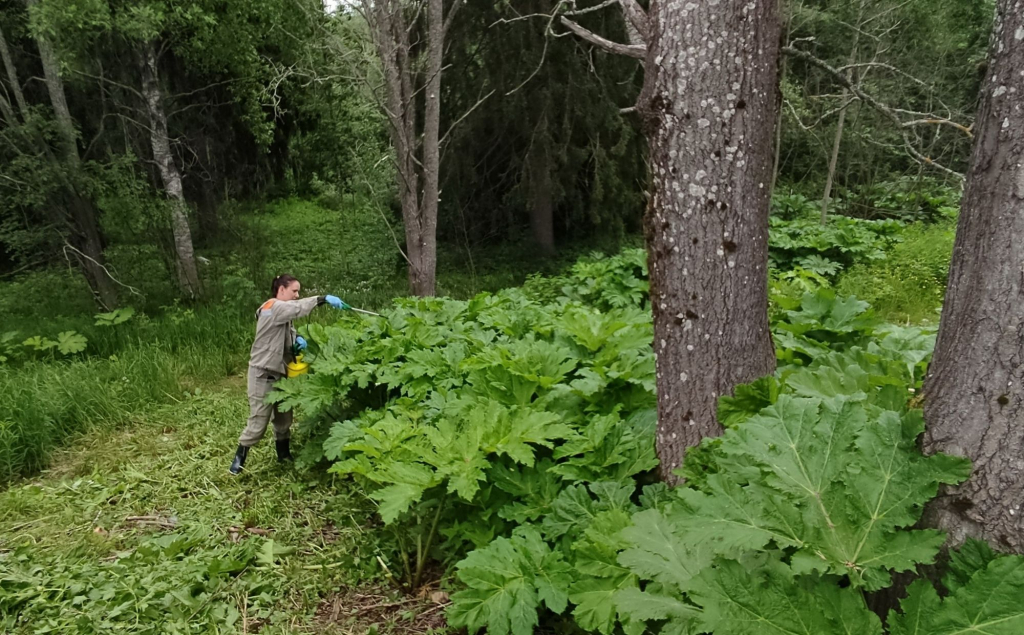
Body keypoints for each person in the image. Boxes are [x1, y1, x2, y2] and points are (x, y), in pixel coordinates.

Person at [229, 274, 350, 475]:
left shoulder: (283, 315)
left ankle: (283, 455)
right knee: (259, 422)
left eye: (298, 291)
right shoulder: (273, 307)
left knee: (284, 417)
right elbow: (296, 308)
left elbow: (287, 332)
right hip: (263, 373)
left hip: (281, 371)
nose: (297, 295)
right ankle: (239, 458)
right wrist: (321, 299)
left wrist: (298, 339)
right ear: (281, 289)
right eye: (294, 290)